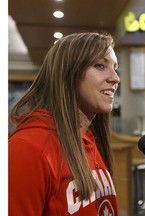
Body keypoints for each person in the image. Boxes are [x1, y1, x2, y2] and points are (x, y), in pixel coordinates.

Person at [9, 32, 121, 215]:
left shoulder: (89, 141)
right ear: (68, 74)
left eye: (115, 68)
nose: (115, 78)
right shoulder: (26, 149)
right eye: (100, 65)